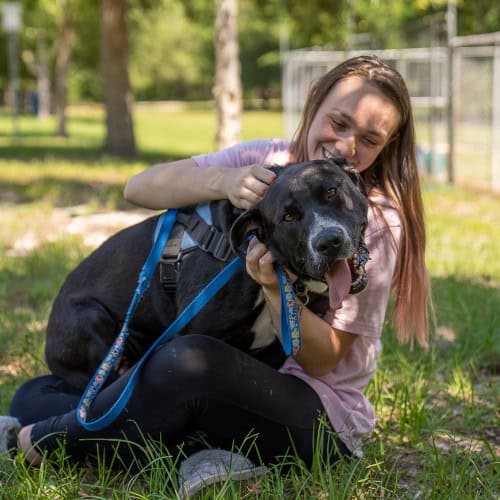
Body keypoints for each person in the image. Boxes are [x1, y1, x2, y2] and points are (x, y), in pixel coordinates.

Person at [4, 55, 430, 476]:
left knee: (189, 362)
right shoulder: (269, 158)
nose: (347, 145)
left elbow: (322, 362)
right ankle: (189, 448)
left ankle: (42, 441)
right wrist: (225, 180)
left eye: (370, 139)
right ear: (314, 103)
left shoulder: (376, 219)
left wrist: (273, 290)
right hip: (238, 384)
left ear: (387, 146)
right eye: (338, 123)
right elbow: (139, 187)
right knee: (33, 397)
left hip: (316, 412)